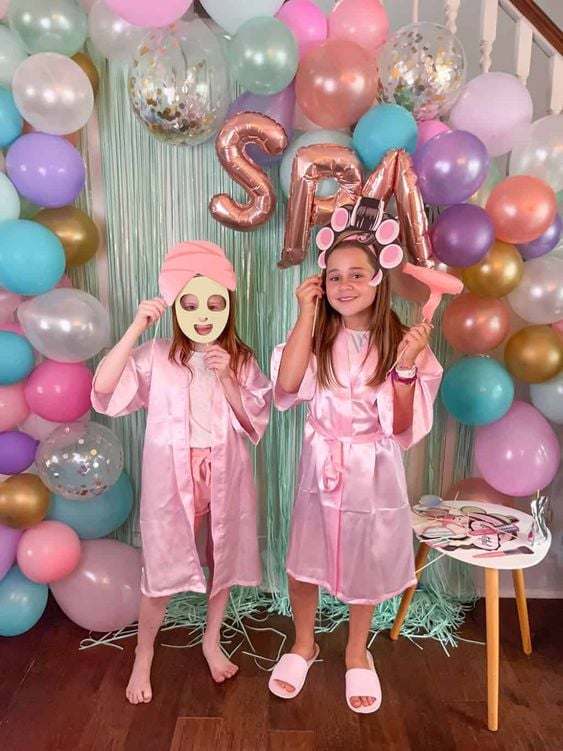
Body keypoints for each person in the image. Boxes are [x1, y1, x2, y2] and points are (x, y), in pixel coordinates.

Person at [269, 202, 443, 713]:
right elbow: (287, 385)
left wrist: (405, 369)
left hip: (373, 471)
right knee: (305, 557)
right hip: (321, 463)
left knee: (366, 560)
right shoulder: (319, 335)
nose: (344, 285)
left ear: (378, 279)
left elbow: (403, 427)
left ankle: (356, 651)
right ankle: (303, 643)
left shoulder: (400, 340)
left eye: (357, 275)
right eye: (334, 276)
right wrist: (305, 313)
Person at [91, 241, 271, 704]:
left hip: (225, 472)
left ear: (227, 305)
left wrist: (228, 376)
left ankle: (211, 641)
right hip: (173, 478)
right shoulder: (157, 355)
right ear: (176, 308)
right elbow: (104, 390)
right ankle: (144, 653)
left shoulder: (239, 359)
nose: (203, 315)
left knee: (223, 560)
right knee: (162, 564)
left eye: (212, 304)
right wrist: (136, 326)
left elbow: (254, 423)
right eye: (190, 305)